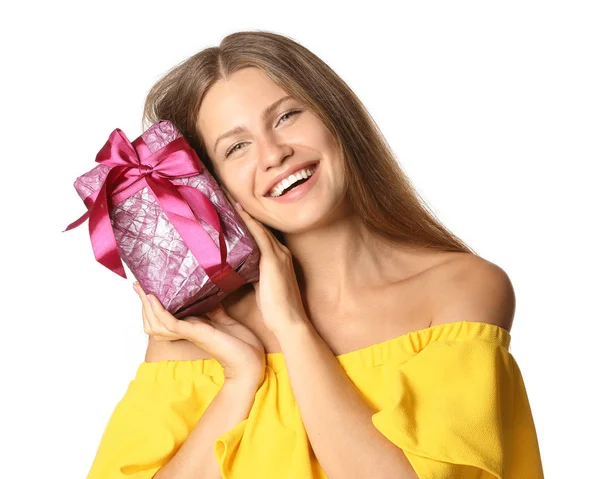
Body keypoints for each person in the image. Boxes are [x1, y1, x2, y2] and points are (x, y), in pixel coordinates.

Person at [86, 30, 544, 479]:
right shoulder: (197, 332)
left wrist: (292, 326)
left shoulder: (460, 290)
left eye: (286, 117)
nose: (274, 154)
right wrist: (240, 380)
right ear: (210, 184)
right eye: (237, 147)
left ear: (336, 118)